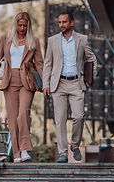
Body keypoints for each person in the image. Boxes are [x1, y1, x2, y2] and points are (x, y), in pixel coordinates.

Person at [0, 12, 43, 163]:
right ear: (15, 25)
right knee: (12, 119)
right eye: (20, 25)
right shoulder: (6, 39)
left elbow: (39, 64)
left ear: (28, 25)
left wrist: (45, 84)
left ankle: (24, 150)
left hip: (27, 82)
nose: (22, 28)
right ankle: (16, 153)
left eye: (25, 25)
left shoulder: (34, 41)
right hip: (9, 81)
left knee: (23, 114)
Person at [42, 10, 97, 163]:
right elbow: (48, 64)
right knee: (59, 120)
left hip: (76, 84)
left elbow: (92, 59)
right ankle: (63, 153)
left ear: (71, 23)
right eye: (59, 22)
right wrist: (45, 84)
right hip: (58, 84)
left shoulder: (82, 39)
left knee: (79, 117)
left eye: (64, 22)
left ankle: (75, 146)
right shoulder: (52, 41)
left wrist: (91, 79)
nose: (61, 25)